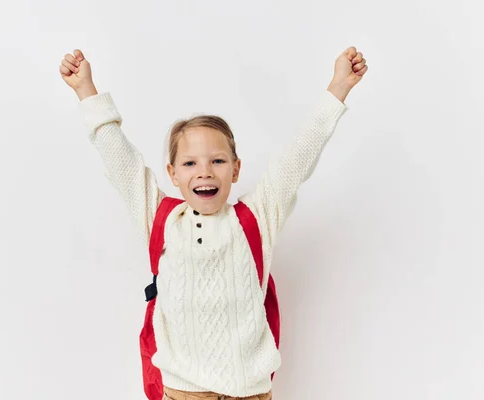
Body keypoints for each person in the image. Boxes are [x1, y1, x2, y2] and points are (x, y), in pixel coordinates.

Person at [59, 47, 368, 400]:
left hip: (249, 394)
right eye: (190, 163)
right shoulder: (163, 218)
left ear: (236, 169)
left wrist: (338, 88)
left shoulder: (257, 217)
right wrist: (86, 91)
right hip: (181, 393)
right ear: (172, 174)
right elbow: (122, 162)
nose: (204, 170)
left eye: (217, 160)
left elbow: (297, 158)